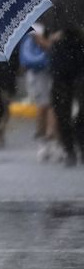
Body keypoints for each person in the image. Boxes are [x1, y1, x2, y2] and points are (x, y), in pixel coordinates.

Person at [20, 24, 60, 162]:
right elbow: (43, 45)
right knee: (44, 106)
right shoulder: (36, 26)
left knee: (52, 106)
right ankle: (44, 141)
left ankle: (52, 139)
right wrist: (54, 41)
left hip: (54, 70)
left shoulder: (55, 20)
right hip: (39, 73)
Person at [47, 26, 84, 167]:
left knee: (78, 110)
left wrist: (69, 32)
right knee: (62, 111)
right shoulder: (51, 9)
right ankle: (69, 149)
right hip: (61, 65)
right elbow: (45, 35)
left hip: (78, 61)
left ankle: (78, 144)